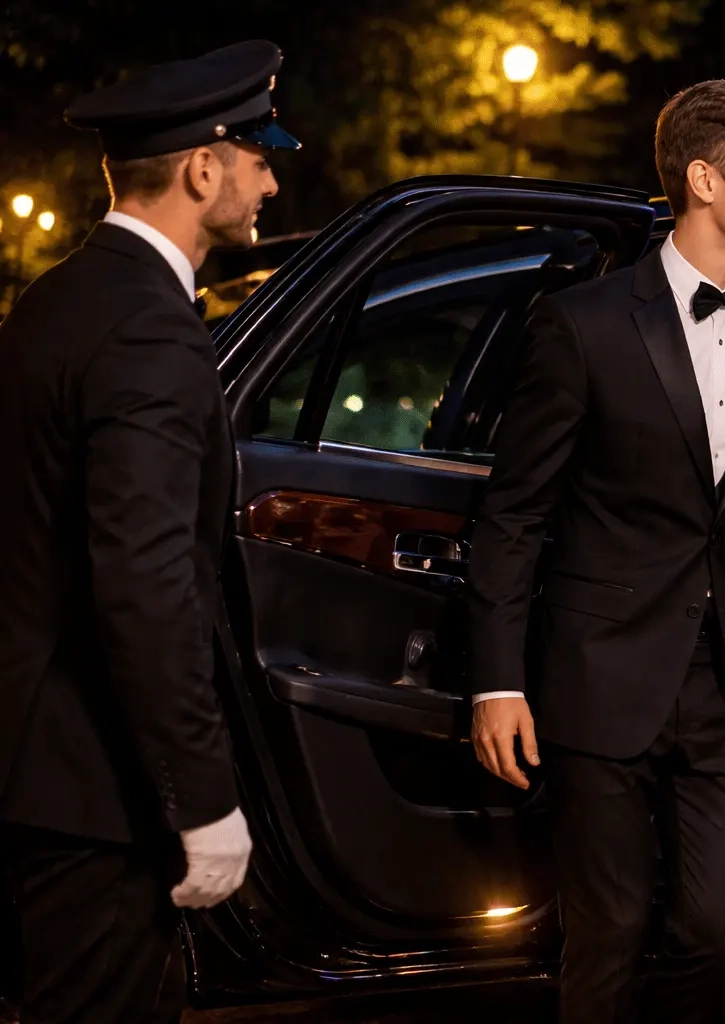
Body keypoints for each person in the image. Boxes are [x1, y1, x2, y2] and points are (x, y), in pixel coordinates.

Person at [466, 79, 725, 1024]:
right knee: (610, 925)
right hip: (599, 674)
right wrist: (496, 682)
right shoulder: (583, 323)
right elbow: (514, 515)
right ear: (707, 178)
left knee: (719, 931)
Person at [0, 41, 299, 1023]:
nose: (272, 179)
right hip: (93, 789)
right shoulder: (149, 327)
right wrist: (201, 800)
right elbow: (145, 585)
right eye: (260, 155)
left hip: (35, 768)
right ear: (202, 167)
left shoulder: (59, 298)